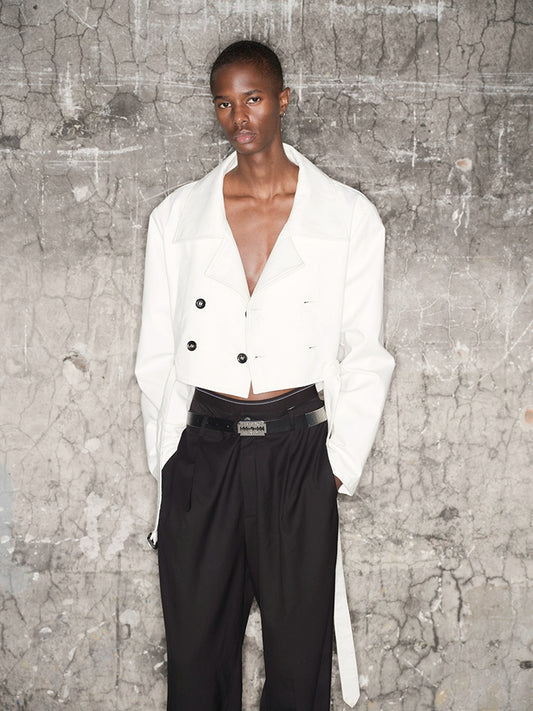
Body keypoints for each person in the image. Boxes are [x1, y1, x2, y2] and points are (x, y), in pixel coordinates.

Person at [135, 39, 394, 711]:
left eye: (252, 99)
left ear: (282, 100)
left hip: (297, 452)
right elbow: (156, 355)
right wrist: (170, 463)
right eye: (225, 103)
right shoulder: (177, 218)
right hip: (205, 451)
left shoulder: (346, 217)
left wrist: (334, 466)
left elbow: (365, 351)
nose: (239, 117)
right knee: (196, 662)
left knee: (299, 663)